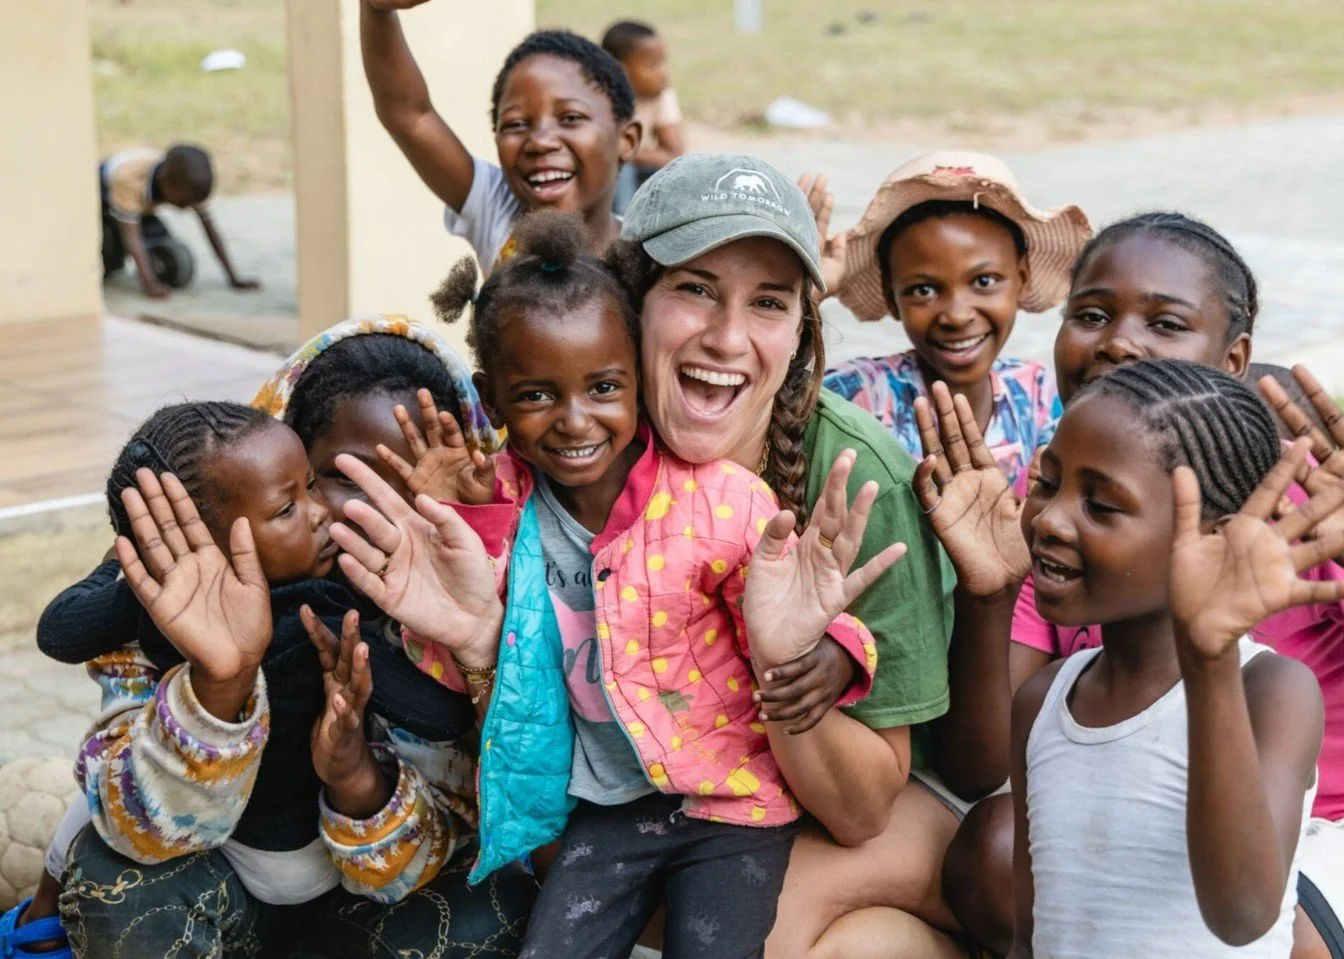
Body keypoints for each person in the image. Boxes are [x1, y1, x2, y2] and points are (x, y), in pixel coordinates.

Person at [338, 210, 901, 958]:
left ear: (636, 375)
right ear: (491, 398)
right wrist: (474, 523)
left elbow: (792, 608)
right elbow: (470, 663)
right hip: (607, 807)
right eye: (536, 395)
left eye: (603, 386)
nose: (576, 421)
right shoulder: (500, 512)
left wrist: (831, 652)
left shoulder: (720, 500)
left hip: (732, 800)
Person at [975, 212, 1344, 959]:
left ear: (1233, 357)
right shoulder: (1063, 533)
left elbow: (1243, 911)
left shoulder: (1306, 508)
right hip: (1200, 826)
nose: (1119, 343)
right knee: (998, 845)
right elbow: (1000, 759)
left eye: (1164, 323)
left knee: (1276, 926)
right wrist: (988, 594)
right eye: (1091, 315)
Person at [21, 323, 535, 957]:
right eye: (342, 477)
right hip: (217, 884)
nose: (380, 510)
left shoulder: (473, 600)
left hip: (359, 911)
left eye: (413, 484)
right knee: (113, 882)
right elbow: (137, 829)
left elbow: (452, 825)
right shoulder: (175, 601)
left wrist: (355, 778)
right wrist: (219, 689)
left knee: (501, 908)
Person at [599, 153, 990, 958]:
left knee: (755, 939)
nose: (726, 337)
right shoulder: (583, 447)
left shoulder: (853, 478)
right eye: (694, 288)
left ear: (802, 333)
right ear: (629, 304)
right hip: (684, 805)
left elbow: (864, 807)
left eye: (768, 303)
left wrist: (782, 668)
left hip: (880, 807)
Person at [1005, 358, 1344, 956]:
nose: (1049, 519)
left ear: (1216, 539)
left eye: (1101, 505)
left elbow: (1243, 913)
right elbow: (1029, 935)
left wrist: (1209, 663)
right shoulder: (1043, 701)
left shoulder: (1272, 690)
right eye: (1049, 483)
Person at [822, 152, 1090, 486]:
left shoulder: (1037, 394)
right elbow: (778, 408)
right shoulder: (859, 394)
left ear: (1022, 279)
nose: (957, 316)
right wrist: (807, 296)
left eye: (984, 281)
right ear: (892, 298)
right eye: (923, 290)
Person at [359, 0, 640, 271]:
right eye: (516, 124)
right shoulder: (498, 209)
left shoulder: (647, 262)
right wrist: (376, 10)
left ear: (626, 140)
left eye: (570, 118)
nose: (539, 142)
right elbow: (410, 115)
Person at [99, 144, 261, 299]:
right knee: (112, 242)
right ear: (164, 181)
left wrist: (234, 277)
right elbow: (132, 238)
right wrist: (150, 284)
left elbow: (211, 232)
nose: (186, 207)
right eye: (183, 201)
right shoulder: (128, 180)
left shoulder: (190, 184)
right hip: (103, 196)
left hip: (142, 202)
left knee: (156, 235)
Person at [601, 20, 685, 212]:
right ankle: (623, 223)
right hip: (609, 178)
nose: (663, 73)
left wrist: (624, 152)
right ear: (620, 69)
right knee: (622, 169)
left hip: (642, 172)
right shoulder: (598, 97)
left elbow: (673, 155)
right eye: (652, 65)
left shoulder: (661, 95)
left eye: (663, 63)